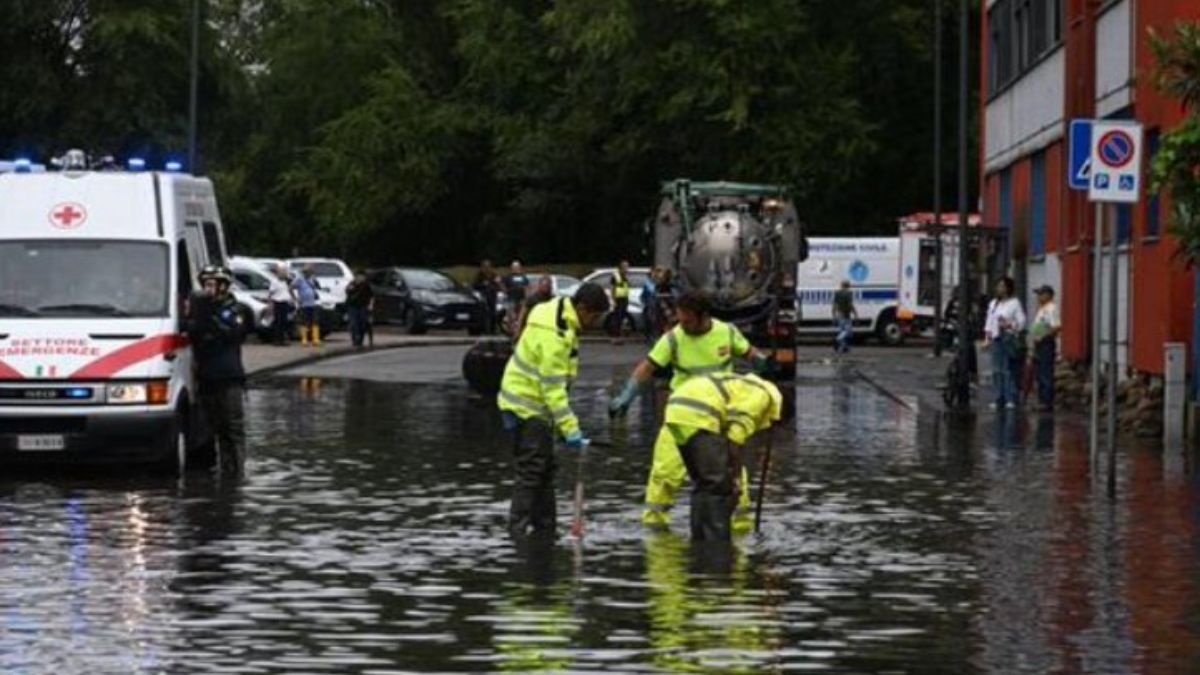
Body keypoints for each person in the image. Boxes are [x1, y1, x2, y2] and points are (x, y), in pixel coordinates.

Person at [609, 290, 774, 530]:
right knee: (664, 473)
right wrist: (627, 395)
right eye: (680, 319)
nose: (682, 325)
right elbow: (648, 366)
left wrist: (763, 362)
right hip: (682, 415)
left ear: (704, 316)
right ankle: (656, 528)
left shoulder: (726, 332)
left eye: (687, 320)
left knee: (732, 473)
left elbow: (748, 352)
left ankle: (739, 528)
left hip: (718, 415)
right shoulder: (674, 338)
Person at [498, 282, 612, 538]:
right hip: (528, 405)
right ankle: (517, 533)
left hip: (522, 401)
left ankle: (545, 529)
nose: (595, 323)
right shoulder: (556, 336)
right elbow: (552, 390)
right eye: (594, 316)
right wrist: (570, 429)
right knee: (532, 470)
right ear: (582, 308)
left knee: (545, 469)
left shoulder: (555, 311)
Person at [663, 373, 782, 540]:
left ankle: (699, 541)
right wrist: (735, 479)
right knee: (719, 486)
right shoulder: (762, 397)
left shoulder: (744, 387)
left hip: (676, 411)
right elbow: (735, 438)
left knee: (703, 485)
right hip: (699, 414)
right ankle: (717, 545)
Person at [186, 265, 247, 473]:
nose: (207, 289)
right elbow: (191, 333)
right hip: (206, 378)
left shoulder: (235, 309)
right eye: (205, 285)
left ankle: (237, 474)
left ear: (223, 287)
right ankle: (216, 472)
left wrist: (209, 317)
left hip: (229, 377)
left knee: (233, 428)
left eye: (212, 284)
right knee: (210, 430)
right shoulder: (198, 311)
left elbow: (233, 334)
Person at [984, 277, 1026, 410]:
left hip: (1008, 337)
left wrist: (1010, 324)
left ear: (1008, 288)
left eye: (1002, 286)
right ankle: (998, 397)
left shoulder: (1014, 303)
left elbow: (1021, 321)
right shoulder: (994, 303)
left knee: (1008, 369)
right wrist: (987, 338)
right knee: (996, 369)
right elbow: (989, 322)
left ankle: (1010, 397)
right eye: (998, 286)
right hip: (997, 338)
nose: (1000, 289)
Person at [1029, 285, 1060, 411]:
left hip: (1045, 343)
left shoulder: (1052, 309)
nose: (1038, 297)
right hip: (1039, 343)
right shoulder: (1042, 309)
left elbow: (1055, 327)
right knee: (1040, 372)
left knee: (1045, 373)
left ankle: (1047, 402)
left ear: (1048, 295)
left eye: (1041, 294)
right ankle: (1042, 400)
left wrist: (1042, 337)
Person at [291, 266, 322, 347]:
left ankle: (315, 339)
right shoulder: (299, 279)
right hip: (304, 304)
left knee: (315, 321)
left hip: (313, 303)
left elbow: (317, 287)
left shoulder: (312, 279)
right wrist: (295, 298)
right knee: (304, 322)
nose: (309, 273)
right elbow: (291, 288)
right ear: (304, 272)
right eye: (307, 272)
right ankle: (304, 339)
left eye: (310, 272)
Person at [345, 270, 375, 348]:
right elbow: (347, 292)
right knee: (354, 323)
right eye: (358, 276)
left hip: (363, 307)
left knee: (363, 323)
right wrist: (351, 288)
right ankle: (355, 340)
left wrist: (370, 305)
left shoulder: (366, 285)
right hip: (353, 307)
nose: (360, 278)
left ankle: (360, 340)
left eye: (362, 276)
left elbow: (372, 296)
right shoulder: (352, 284)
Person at [609, 261, 636, 344]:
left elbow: (625, 287)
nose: (627, 269)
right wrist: (613, 300)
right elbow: (613, 289)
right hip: (618, 299)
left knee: (621, 318)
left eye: (628, 267)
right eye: (626, 267)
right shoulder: (616, 276)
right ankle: (615, 337)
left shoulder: (625, 276)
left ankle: (619, 337)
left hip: (624, 299)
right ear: (621, 267)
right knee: (617, 318)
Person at [472, 260, 502, 334]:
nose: (487, 268)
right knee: (484, 313)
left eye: (488, 266)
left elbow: (498, 285)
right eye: (485, 267)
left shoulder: (494, 275)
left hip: (492, 296)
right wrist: (483, 284)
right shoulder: (480, 275)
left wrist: (495, 285)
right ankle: (484, 329)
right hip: (483, 296)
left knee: (493, 313)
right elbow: (475, 285)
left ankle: (493, 329)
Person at [268, 265, 293, 346]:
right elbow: (271, 294)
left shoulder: (286, 282)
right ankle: (277, 340)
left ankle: (283, 340)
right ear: (278, 273)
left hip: (285, 303)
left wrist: (292, 300)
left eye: (285, 272)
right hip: (278, 303)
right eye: (282, 272)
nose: (284, 274)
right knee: (278, 322)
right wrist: (270, 304)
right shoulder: (274, 282)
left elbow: (288, 291)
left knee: (284, 322)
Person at [502, 261, 530, 333]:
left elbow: (526, 288)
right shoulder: (508, 277)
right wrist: (505, 291)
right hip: (511, 299)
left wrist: (526, 298)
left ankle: (519, 330)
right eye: (514, 267)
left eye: (517, 267)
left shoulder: (523, 277)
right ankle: (511, 331)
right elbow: (503, 286)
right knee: (511, 316)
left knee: (520, 316)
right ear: (512, 268)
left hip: (521, 300)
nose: (516, 269)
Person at [832, 280, 857, 354]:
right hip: (846, 314)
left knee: (842, 330)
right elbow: (850, 305)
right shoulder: (848, 293)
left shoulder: (837, 293)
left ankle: (843, 348)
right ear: (848, 286)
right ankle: (838, 339)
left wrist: (833, 315)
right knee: (848, 331)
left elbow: (834, 305)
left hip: (839, 313)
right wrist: (855, 314)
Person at [640, 268, 660, 343]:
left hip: (655, 304)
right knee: (650, 320)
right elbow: (644, 295)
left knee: (654, 321)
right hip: (650, 304)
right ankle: (649, 336)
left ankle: (652, 336)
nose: (655, 275)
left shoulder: (657, 283)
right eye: (653, 274)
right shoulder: (648, 284)